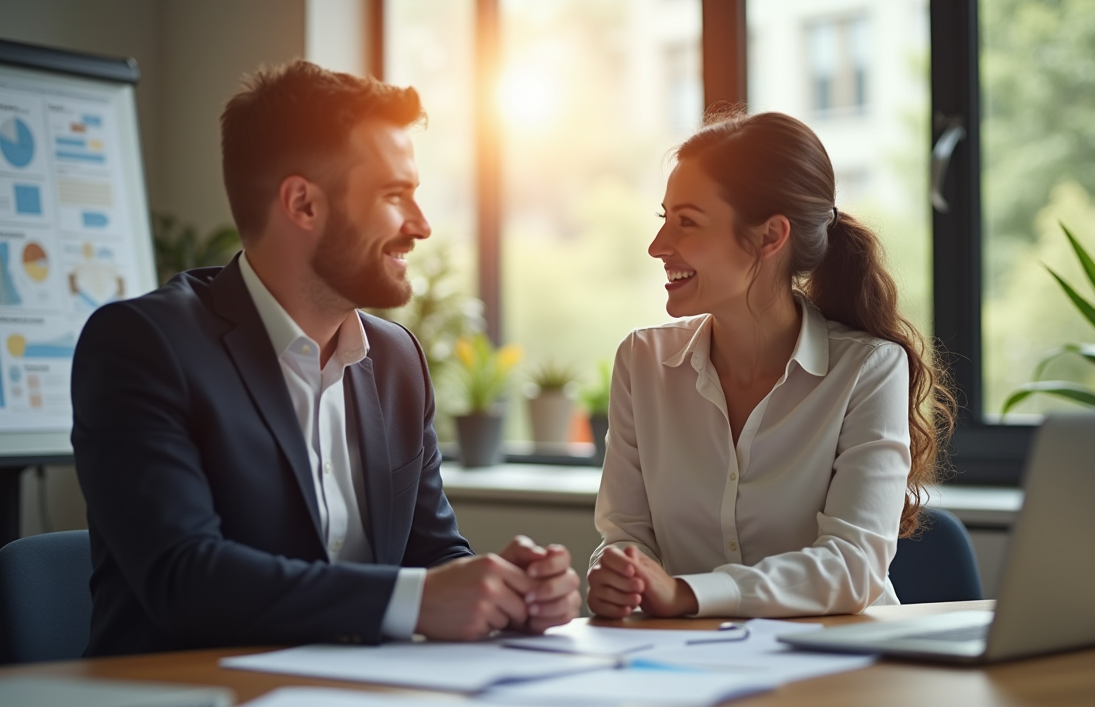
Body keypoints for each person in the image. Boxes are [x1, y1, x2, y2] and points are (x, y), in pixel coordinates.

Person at [72, 61, 580, 657]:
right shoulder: (144, 345)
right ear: (303, 204)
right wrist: (418, 600)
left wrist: (508, 591)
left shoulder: (397, 360)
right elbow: (185, 578)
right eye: (395, 196)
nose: (420, 225)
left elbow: (432, 555)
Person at [586, 111, 954, 620]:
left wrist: (688, 594)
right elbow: (626, 537)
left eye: (686, 222)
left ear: (770, 236)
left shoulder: (869, 369)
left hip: (844, 673)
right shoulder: (642, 362)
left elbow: (853, 568)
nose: (657, 246)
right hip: (687, 665)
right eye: (663, 218)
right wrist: (618, 575)